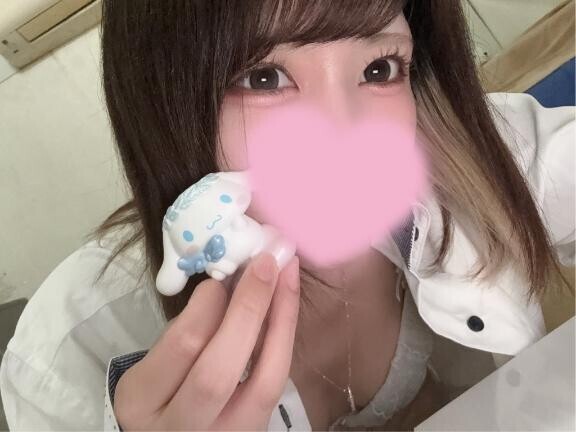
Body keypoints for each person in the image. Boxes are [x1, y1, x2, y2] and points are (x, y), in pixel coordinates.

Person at [1, 0, 574, 430]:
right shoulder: (69, 347)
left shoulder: (469, 155)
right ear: (159, 100)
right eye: (264, 78)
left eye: (379, 69)